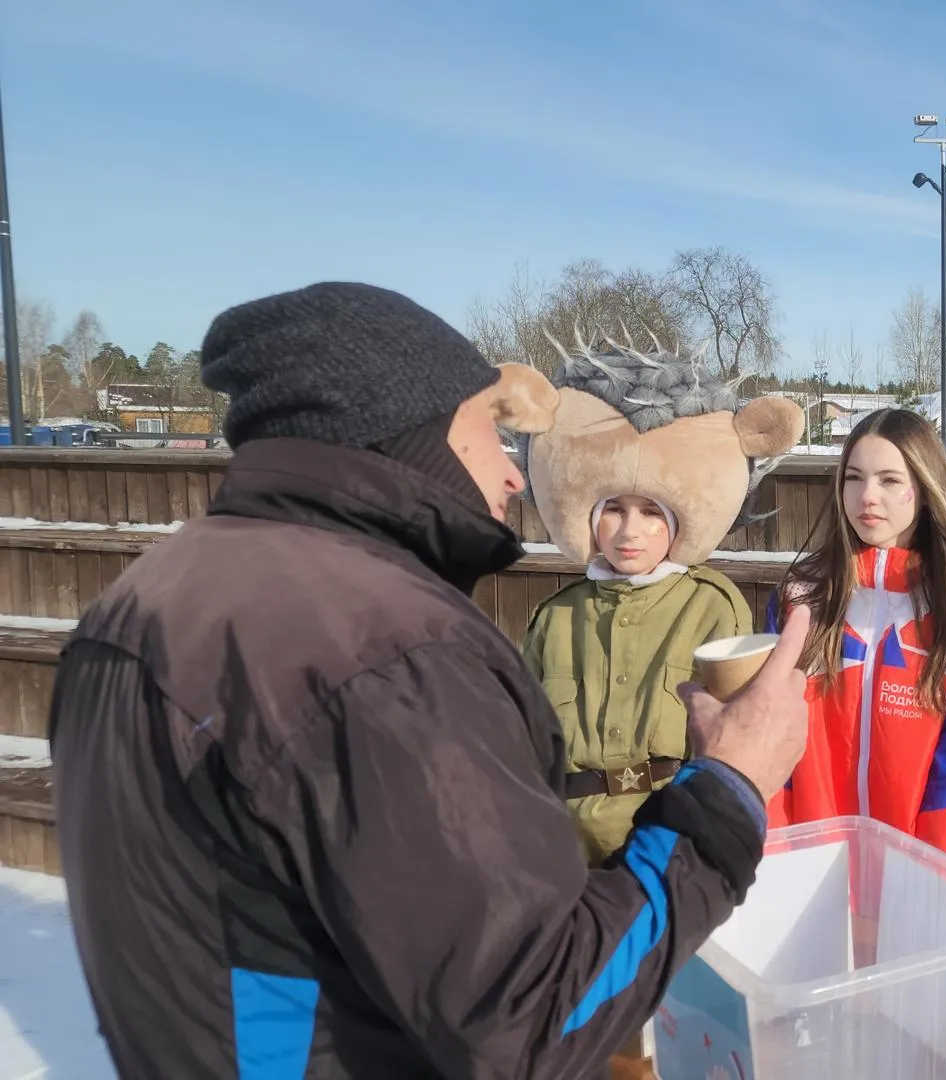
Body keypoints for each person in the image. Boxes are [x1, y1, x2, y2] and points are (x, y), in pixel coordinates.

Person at [46, 282, 811, 1080]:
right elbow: (531, 1012)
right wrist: (727, 792)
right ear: (413, 433)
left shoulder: (141, 600)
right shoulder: (390, 654)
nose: (516, 478)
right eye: (486, 425)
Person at [521, 335, 804, 864]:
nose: (631, 531)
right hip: (562, 846)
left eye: (652, 513)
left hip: (668, 837)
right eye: (614, 509)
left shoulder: (712, 606)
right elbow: (521, 736)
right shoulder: (555, 617)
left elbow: (732, 734)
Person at [767, 407, 946, 874]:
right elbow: (771, 741)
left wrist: (935, 890)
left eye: (889, 480)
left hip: (919, 880)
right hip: (810, 871)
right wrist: (777, 859)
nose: (867, 496)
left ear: (924, 490)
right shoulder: (801, 597)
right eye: (854, 477)